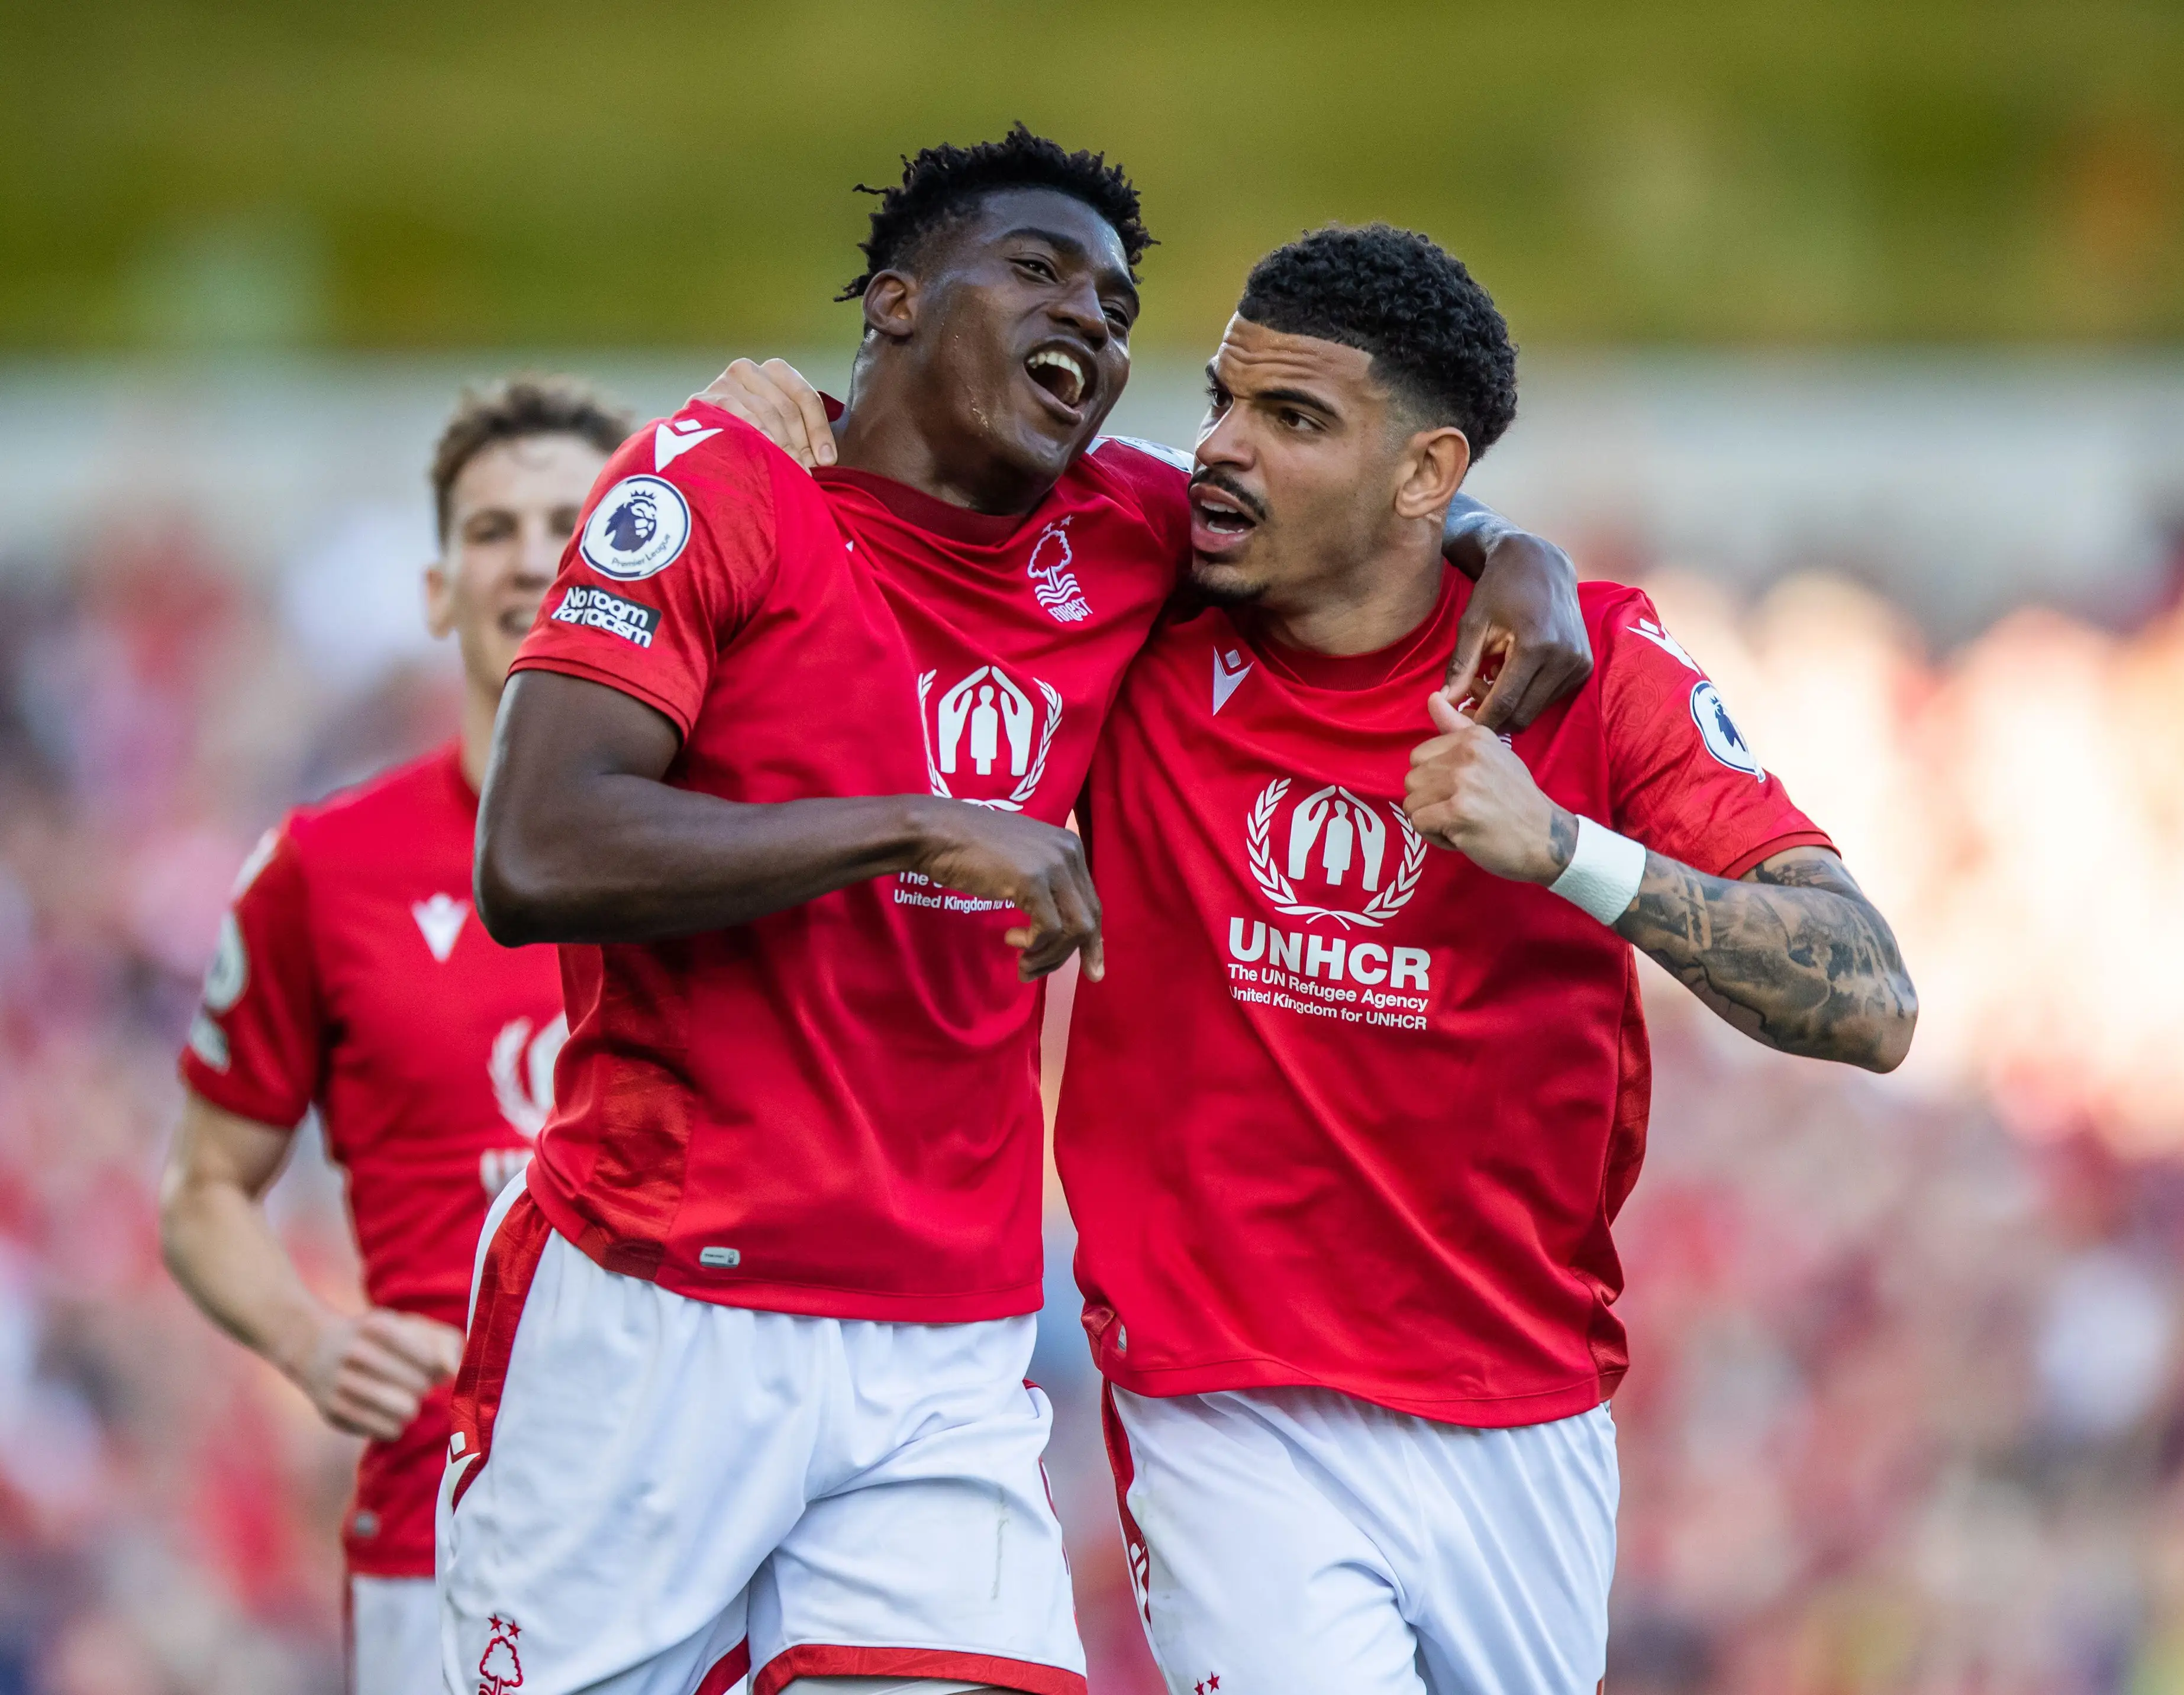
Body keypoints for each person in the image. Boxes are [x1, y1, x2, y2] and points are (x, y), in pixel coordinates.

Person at [456, 131, 1585, 1695]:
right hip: (659, 1296)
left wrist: (1516, 550)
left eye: (1118, 311)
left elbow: (1342, 498)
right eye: (1041, 272)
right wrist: (917, 825)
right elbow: (535, 849)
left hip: (949, 1340)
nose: (1091, 324)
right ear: (897, 301)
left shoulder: (1124, 530)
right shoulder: (717, 487)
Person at [1050, 227, 1918, 1694]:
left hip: (1521, 1411)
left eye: (1292, 418)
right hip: (1227, 1400)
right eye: (1222, 400)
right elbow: (929, 465)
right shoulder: (1145, 588)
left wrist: (1569, 850)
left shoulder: (1596, 668)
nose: (1221, 449)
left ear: (1427, 474)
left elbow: (1873, 997)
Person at [158, 377, 630, 1695]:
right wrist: (308, 1340)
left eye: (572, 522)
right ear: (436, 590)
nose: (532, 557)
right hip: (438, 1528)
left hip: (700, 1509)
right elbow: (201, 1188)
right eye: (492, 529)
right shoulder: (324, 868)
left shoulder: (734, 844)